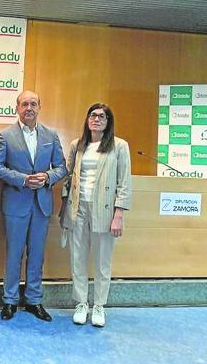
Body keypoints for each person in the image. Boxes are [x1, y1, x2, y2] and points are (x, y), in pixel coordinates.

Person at [0, 90, 66, 322]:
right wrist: (22, 179)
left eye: (33, 104)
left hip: (42, 203)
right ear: (17, 108)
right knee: (14, 253)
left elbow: (62, 167)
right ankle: (10, 300)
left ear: (40, 107)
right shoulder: (5, 135)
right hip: (16, 202)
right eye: (24, 104)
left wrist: (48, 177)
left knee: (37, 255)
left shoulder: (51, 135)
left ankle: (34, 300)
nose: (29, 108)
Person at [60, 103, 131, 327]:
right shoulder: (77, 145)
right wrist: (64, 204)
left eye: (102, 116)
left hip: (105, 210)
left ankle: (99, 305)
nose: (96, 119)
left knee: (102, 261)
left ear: (108, 121)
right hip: (77, 207)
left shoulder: (119, 146)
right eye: (93, 115)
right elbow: (68, 175)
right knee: (77, 258)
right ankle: (81, 303)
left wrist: (118, 214)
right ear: (87, 119)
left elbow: (124, 182)